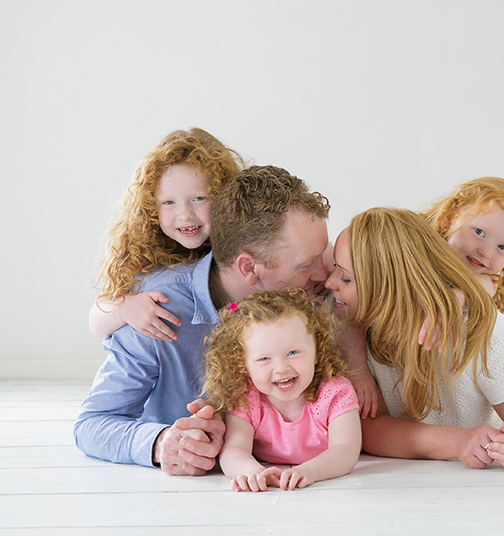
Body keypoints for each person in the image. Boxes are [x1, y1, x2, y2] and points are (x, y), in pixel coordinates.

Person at [74, 165, 331, 476]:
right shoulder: (157, 313)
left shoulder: (314, 290)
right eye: (307, 264)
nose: (324, 276)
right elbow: (92, 424)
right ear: (249, 268)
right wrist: (161, 442)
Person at [325, 207, 504, 472]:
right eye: (336, 268)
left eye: (345, 277)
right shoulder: (353, 334)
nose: (328, 283)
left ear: (388, 290)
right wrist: (457, 441)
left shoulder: (479, 330)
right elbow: (369, 429)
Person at [89, 129, 245, 342]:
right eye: (169, 202)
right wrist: (123, 309)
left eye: (199, 198)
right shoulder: (144, 251)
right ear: (151, 207)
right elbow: (96, 320)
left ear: (223, 196)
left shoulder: (240, 247)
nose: (185, 214)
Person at [203, 289, 361, 491]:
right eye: (264, 359)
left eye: (293, 352)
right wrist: (254, 472)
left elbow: (346, 450)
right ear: (243, 365)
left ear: (317, 352)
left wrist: (310, 471)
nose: (281, 368)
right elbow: (234, 449)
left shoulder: (335, 392)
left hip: (326, 490)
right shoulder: (246, 397)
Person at [422, 177, 504, 336]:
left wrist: (458, 296)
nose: (486, 253)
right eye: (479, 232)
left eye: (502, 247)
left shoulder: (487, 279)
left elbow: (486, 286)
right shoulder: (418, 248)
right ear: (449, 218)